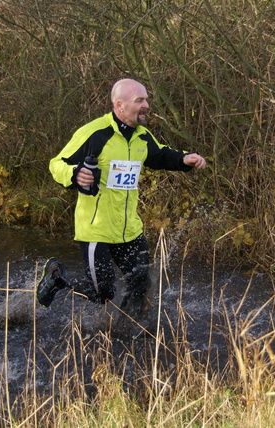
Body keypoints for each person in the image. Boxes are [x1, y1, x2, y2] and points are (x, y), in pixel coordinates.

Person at [37, 78, 206, 319]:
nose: (146, 105)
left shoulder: (141, 136)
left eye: (146, 99)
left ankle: (128, 330)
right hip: (97, 231)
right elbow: (57, 164)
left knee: (141, 287)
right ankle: (56, 279)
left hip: (129, 230)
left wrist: (183, 159)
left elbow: (159, 155)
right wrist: (74, 174)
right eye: (140, 100)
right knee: (103, 294)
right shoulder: (95, 134)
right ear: (120, 105)